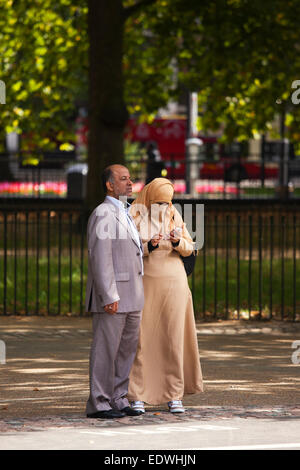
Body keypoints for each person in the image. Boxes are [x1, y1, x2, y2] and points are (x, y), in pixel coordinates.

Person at [127, 177, 203, 413]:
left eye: (167, 201)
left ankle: (174, 394)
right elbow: (126, 249)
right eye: (158, 201)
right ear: (149, 198)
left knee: (173, 337)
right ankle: (137, 394)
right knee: (143, 338)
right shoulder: (135, 215)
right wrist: (148, 245)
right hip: (147, 283)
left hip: (175, 283)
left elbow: (191, 247)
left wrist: (178, 241)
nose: (163, 206)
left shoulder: (174, 215)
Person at [85, 164, 144, 419]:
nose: (130, 183)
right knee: (105, 351)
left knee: (125, 351)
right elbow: (101, 258)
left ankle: (118, 399)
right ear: (110, 185)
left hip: (133, 295)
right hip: (114, 296)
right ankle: (99, 403)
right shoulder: (103, 213)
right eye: (123, 179)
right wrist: (109, 295)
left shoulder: (127, 211)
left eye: (130, 178)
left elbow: (129, 251)